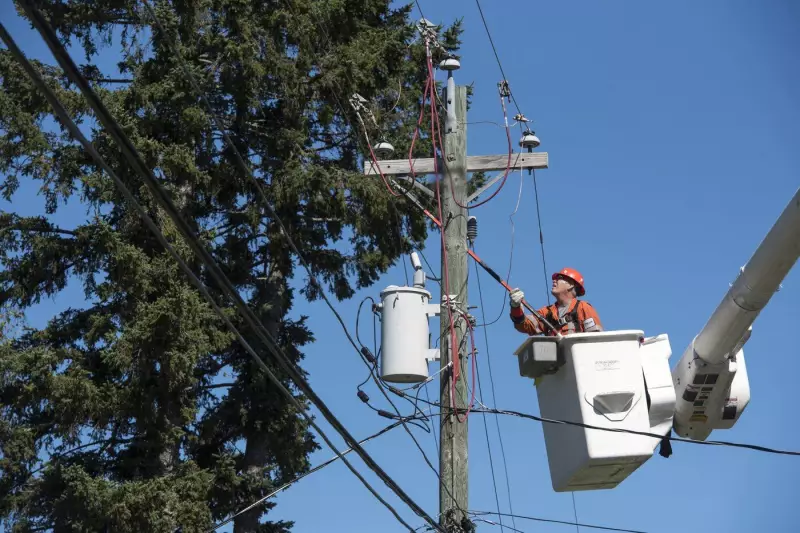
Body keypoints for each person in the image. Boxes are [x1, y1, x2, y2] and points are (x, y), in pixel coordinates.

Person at [509, 267, 603, 336]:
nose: (554, 281)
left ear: (571, 285)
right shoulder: (547, 312)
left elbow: (596, 340)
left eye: (560, 278)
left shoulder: (583, 307)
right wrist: (515, 307)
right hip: (557, 362)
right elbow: (525, 326)